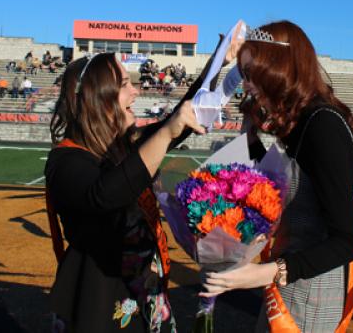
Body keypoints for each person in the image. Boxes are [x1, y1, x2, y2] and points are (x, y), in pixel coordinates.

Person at [45, 33, 241, 333]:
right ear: (98, 96)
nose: (135, 92)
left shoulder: (122, 146)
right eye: (124, 85)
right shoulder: (65, 161)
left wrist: (217, 63)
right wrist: (164, 134)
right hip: (99, 307)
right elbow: (105, 195)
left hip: (148, 300)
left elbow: (179, 122)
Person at [200, 21, 353, 332]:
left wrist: (264, 273)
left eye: (252, 74)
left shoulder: (323, 127)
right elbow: (276, 184)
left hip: (310, 291)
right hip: (287, 280)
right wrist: (250, 136)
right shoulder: (302, 121)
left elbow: (346, 243)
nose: (247, 84)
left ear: (279, 69)